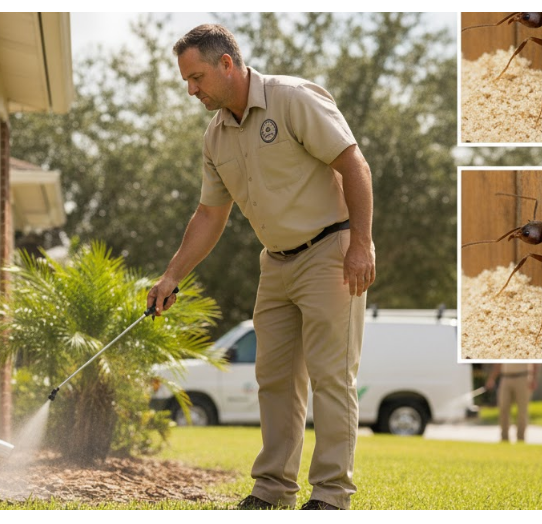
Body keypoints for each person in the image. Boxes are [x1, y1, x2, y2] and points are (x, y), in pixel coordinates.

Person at [147, 24, 375, 511]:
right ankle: (273, 492)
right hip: (275, 264)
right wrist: (172, 275)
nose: (191, 89)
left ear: (227, 63)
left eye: (197, 77)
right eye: (186, 80)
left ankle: (332, 497)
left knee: (331, 376)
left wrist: (362, 243)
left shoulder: (292, 100)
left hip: (328, 252)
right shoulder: (216, 137)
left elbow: (354, 164)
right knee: (273, 380)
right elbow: (210, 215)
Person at [486, 363, 541, 443]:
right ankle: (504, 439)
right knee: (503, 409)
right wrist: (491, 378)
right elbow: (498, 364)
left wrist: (534, 378)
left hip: (523, 377)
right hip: (505, 378)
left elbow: (535, 363)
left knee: (522, 411)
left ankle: (521, 439)